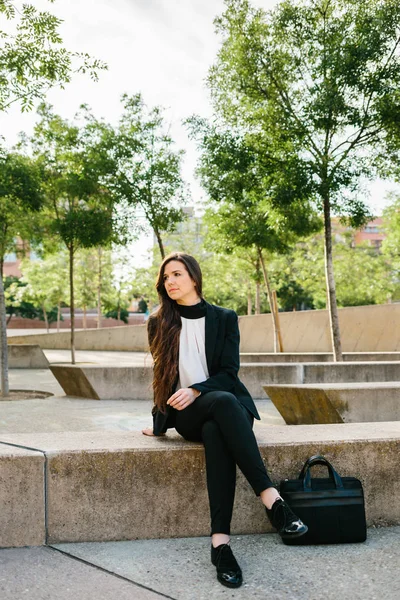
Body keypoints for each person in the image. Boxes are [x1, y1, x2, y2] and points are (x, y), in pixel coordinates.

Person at [142, 252, 308, 589]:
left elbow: (229, 373)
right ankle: (271, 500)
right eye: (165, 278)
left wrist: (197, 390)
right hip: (187, 415)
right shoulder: (159, 322)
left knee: (217, 426)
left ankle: (221, 544)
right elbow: (161, 375)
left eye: (176, 274)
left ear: (194, 277)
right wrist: (160, 422)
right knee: (218, 404)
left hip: (228, 411)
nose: (169, 282)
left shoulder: (224, 318)